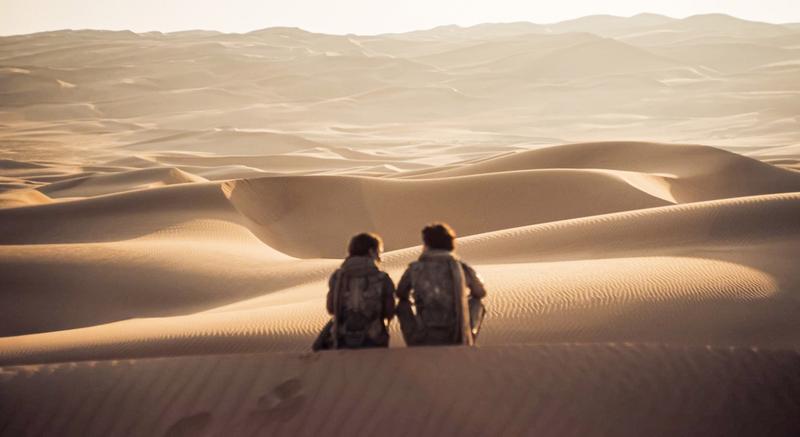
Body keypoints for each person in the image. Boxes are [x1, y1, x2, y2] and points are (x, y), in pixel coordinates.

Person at [396, 223, 487, 346]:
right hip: (457, 336)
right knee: (477, 302)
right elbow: (480, 292)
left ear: (426, 244)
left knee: (402, 304)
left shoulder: (415, 268)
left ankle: (414, 341)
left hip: (423, 336)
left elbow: (401, 293)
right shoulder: (461, 267)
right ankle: (467, 338)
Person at [312, 232, 396, 351]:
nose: (379, 256)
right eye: (379, 251)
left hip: (342, 338)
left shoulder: (338, 277)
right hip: (373, 339)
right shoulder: (382, 278)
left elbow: (331, 308)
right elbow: (389, 312)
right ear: (372, 251)